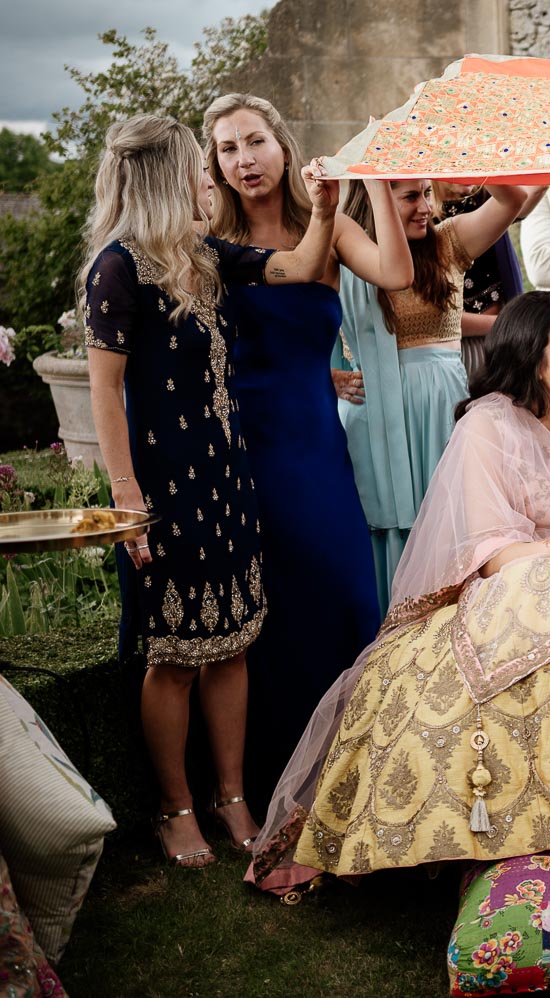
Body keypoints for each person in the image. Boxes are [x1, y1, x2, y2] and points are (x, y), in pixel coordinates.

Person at [249, 291, 550, 893]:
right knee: (527, 614)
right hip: (513, 579)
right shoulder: (487, 423)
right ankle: (522, 829)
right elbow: (491, 550)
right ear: (533, 358)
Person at [83, 114, 338, 866]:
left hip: (228, 477)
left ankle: (233, 798)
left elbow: (294, 269)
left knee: (233, 644)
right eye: (199, 164)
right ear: (167, 176)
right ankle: (174, 806)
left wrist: (324, 211)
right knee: (176, 657)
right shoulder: (117, 268)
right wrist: (127, 496)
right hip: (162, 488)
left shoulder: (202, 253)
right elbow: (104, 392)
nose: (211, 176)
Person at [201, 93, 409, 804]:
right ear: (216, 164)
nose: (245, 158)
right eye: (228, 148)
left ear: (283, 147)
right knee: (267, 607)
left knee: (344, 589)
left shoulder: (325, 223)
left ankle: (353, 773)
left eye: (254, 141)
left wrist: (376, 182)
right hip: (236, 443)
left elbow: (396, 275)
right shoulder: (209, 236)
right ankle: (261, 781)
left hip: (313, 442)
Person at [334, 178, 540, 601]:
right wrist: (327, 374)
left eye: (427, 193)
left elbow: (512, 200)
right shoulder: (347, 253)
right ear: (376, 199)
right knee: (386, 536)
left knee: (459, 523)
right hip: (376, 417)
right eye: (411, 196)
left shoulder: (448, 242)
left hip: (444, 411)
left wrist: (470, 164)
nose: (425, 206)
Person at [431, 181, 527, 380]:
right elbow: (427, 317)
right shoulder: (426, 225)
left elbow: (521, 197)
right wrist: (506, 323)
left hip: (502, 343)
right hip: (454, 350)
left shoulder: (485, 198)